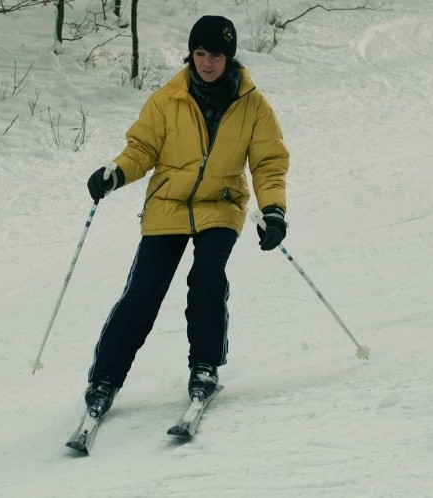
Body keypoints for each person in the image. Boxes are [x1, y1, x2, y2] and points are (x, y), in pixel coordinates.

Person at [83, 15, 289, 417]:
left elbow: (268, 162)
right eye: (199, 53)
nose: (206, 63)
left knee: (208, 277)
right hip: (169, 204)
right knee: (143, 291)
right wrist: (116, 173)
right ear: (190, 54)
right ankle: (105, 378)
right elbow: (142, 148)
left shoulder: (253, 106)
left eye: (215, 55)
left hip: (221, 203)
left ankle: (205, 367)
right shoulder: (168, 98)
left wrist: (274, 211)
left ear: (229, 58)